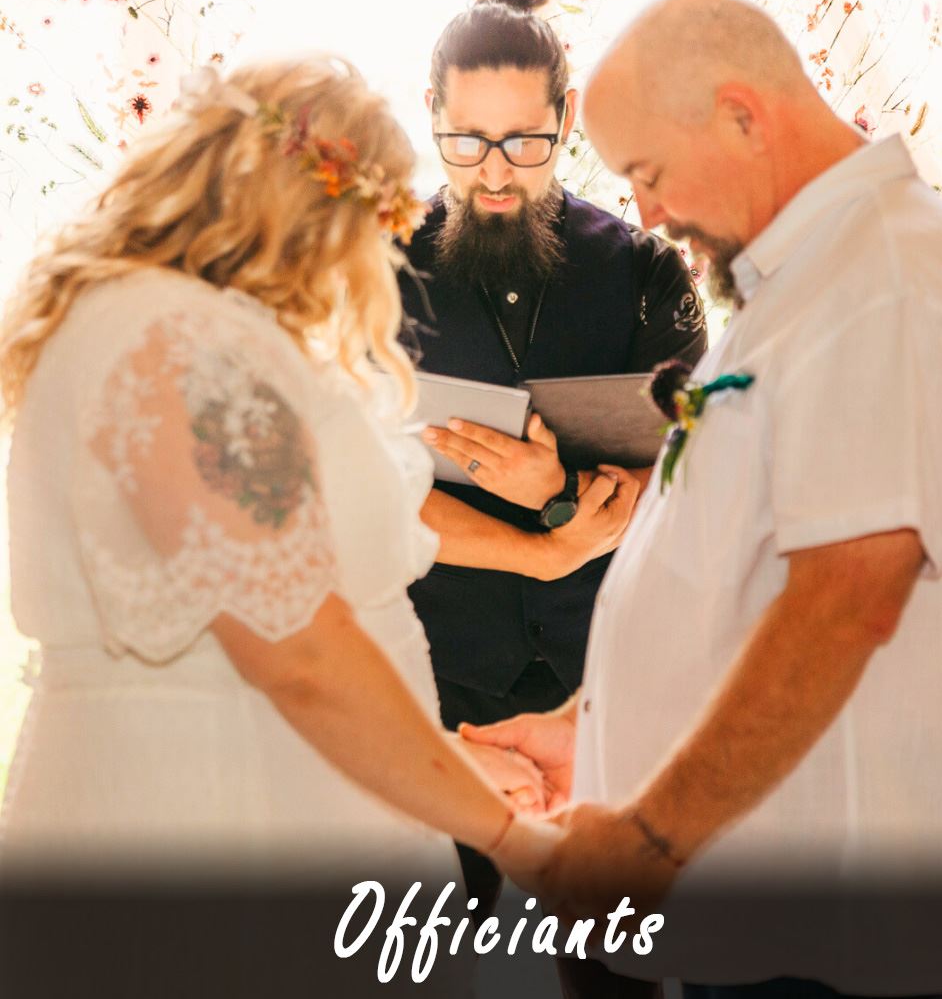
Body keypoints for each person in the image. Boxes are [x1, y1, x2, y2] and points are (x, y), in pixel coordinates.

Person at [466, 0, 942, 998]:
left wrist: (648, 840)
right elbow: (735, 575)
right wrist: (596, 719)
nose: (650, 214)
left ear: (745, 116)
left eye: (649, 173)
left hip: (843, 932)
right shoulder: (804, 282)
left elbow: (844, 603)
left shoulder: (885, 280)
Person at [0, 57, 558, 996]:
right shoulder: (177, 344)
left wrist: (442, 755)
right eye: (373, 227)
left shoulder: (177, 329)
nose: (372, 263)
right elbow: (293, 649)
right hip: (217, 822)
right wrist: (505, 836)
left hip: (275, 797)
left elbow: (245, 625)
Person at [397, 0, 707, 909]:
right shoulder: (367, 269)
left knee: (620, 954)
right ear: (431, 114)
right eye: (468, 141)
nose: (494, 172)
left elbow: (702, 484)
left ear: (566, 120)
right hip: (434, 687)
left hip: (609, 692)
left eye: (526, 142)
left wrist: (561, 497)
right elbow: (332, 503)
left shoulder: (648, 270)